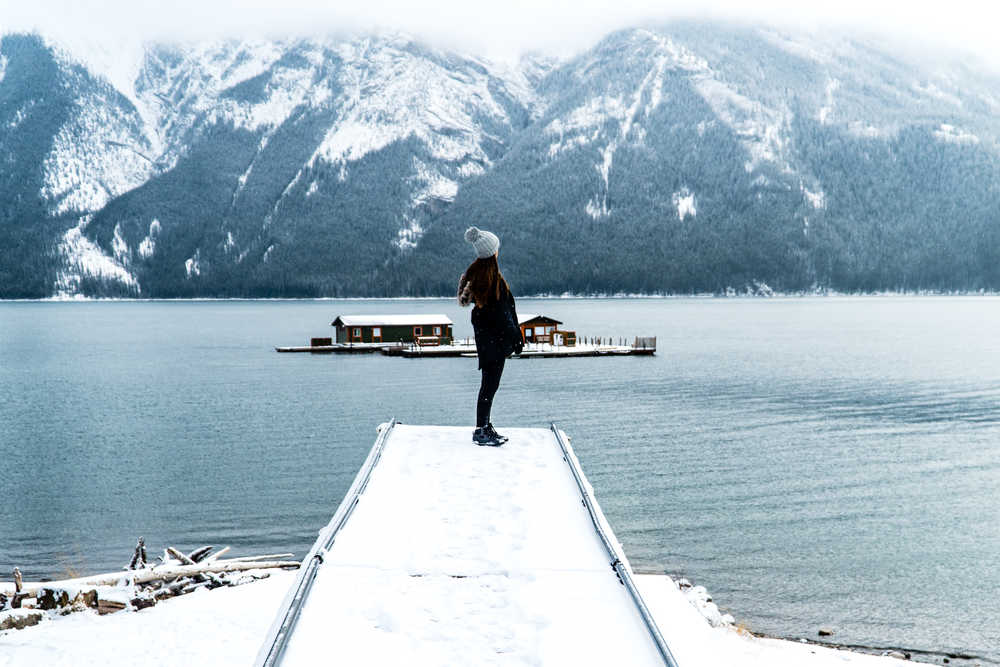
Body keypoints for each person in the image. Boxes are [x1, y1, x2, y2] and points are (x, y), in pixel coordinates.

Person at [458, 226, 524, 446]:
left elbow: (494, 314)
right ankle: (481, 429)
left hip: (488, 343)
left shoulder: (481, 277)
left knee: (489, 385)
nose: (498, 251)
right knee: (489, 386)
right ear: (492, 252)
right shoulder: (491, 281)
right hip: (494, 344)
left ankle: (485, 426)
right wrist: (517, 338)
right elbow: (503, 315)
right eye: (497, 248)